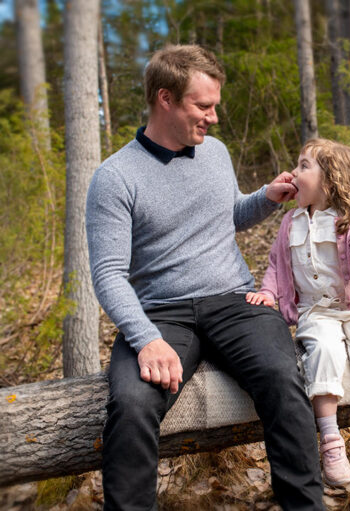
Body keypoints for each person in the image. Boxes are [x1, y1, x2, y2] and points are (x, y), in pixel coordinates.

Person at [85, 44, 324, 510]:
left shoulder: (213, 151)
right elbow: (109, 274)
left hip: (234, 301)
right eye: (203, 106)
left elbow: (227, 215)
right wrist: (146, 339)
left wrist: (266, 197)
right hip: (162, 313)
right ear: (165, 99)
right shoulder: (115, 178)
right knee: (132, 406)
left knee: (282, 375)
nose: (214, 117)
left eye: (215, 105)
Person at [246, 138, 350, 488]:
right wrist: (268, 292)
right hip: (316, 311)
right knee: (324, 352)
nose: (295, 171)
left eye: (304, 166)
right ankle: (331, 442)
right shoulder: (290, 222)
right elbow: (277, 263)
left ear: (330, 181)